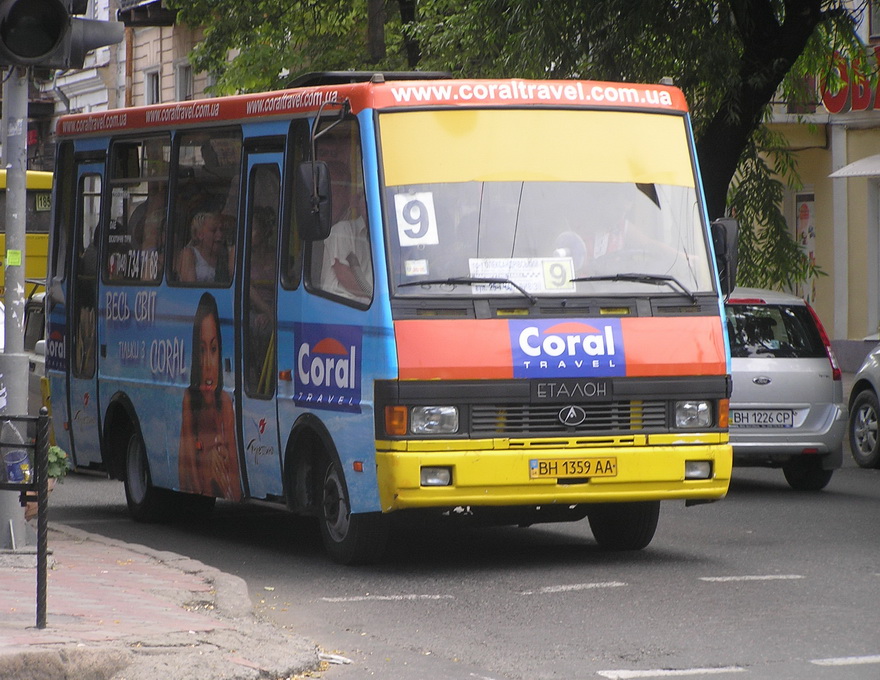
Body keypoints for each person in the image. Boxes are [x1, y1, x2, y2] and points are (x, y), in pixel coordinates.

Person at [179, 293, 241, 500]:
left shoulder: (224, 402)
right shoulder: (189, 399)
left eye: (213, 350)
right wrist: (207, 458)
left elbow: (235, 480)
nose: (207, 364)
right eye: (201, 350)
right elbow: (189, 477)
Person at [318, 159, 372, 301]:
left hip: (366, 307)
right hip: (341, 308)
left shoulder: (378, 238)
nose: (368, 205)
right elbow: (343, 274)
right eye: (364, 199)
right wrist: (374, 295)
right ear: (357, 201)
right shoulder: (342, 230)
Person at [177, 211, 234, 283]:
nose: (220, 235)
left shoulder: (226, 257)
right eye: (213, 230)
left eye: (221, 230)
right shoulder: (189, 254)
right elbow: (190, 289)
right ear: (200, 234)